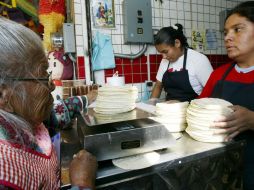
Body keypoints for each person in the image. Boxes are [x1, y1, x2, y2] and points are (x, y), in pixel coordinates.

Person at [0, 17, 97, 189]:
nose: (51, 85)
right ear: (3, 95)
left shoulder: (27, 119)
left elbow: (59, 112)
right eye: (43, 76)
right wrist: (82, 184)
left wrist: (88, 98)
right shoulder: (5, 172)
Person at [199, 1, 254, 189]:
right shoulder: (218, 74)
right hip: (221, 171)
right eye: (225, 32)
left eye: (237, 30)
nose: (228, 38)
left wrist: (252, 120)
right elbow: (200, 110)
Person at [149, 24, 213, 104]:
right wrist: (151, 104)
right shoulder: (164, 61)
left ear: (177, 43)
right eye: (161, 53)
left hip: (193, 111)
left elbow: (212, 91)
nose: (164, 57)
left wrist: (184, 105)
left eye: (165, 52)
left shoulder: (198, 60)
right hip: (170, 111)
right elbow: (158, 86)